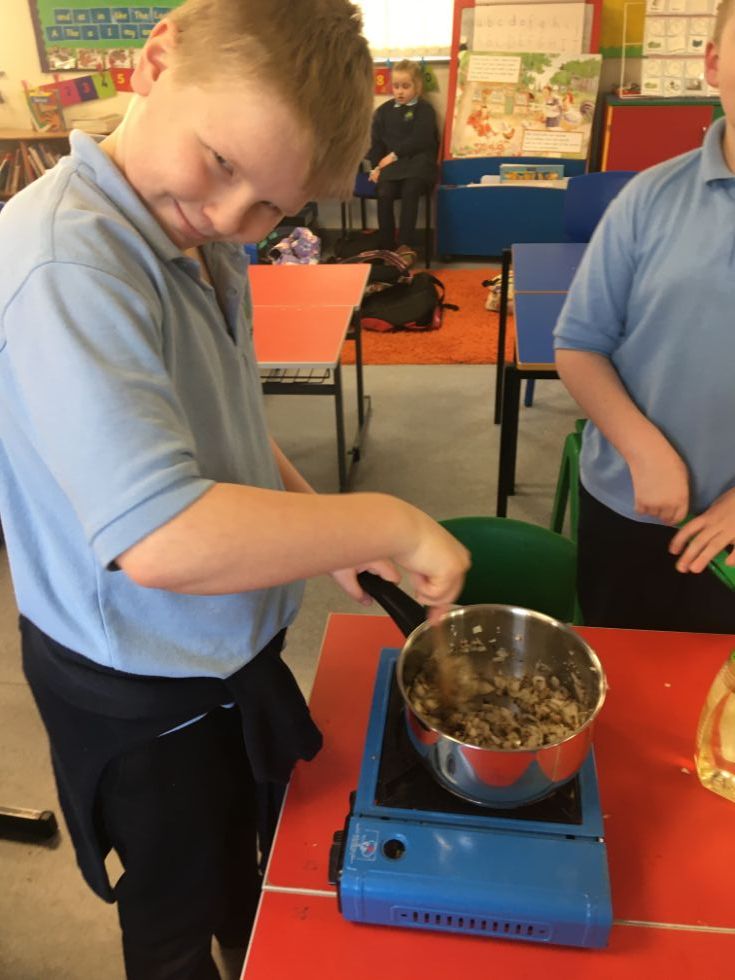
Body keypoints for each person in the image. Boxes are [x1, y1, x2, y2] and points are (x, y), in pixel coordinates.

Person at [0, 3, 469, 978]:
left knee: (239, 870)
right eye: (220, 164)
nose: (230, 218)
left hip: (221, 662)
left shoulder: (200, 243)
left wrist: (324, 530)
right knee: (173, 907)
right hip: (140, 694)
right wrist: (382, 514)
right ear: (155, 60)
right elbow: (163, 535)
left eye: (272, 208)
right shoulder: (67, 262)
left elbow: (231, 433)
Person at [553, 0, 735, 634]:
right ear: (714, 63)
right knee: (624, 681)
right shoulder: (648, 199)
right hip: (633, 507)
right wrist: (642, 446)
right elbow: (579, 343)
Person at [367, 58, 439, 266]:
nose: (400, 92)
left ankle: (405, 245)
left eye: (406, 86)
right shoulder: (384, 111)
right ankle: (386, 246)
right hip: (392, 166)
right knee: (384, 192)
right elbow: (377, 143)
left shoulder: (424, 109)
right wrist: (375, 167)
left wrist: (393, 155)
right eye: (396, 86)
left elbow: (422, 138)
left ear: (417, 86)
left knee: (411, 189)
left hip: (418, 162)